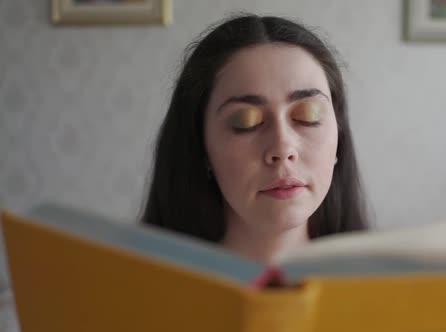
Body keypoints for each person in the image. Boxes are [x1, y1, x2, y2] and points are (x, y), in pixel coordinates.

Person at [141, 14, 368, 263]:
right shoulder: (145, 293)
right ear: (201, 146)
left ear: (339, 135)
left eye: (308, 115)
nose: (282, 147)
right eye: (245, 122)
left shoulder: (381, 287)